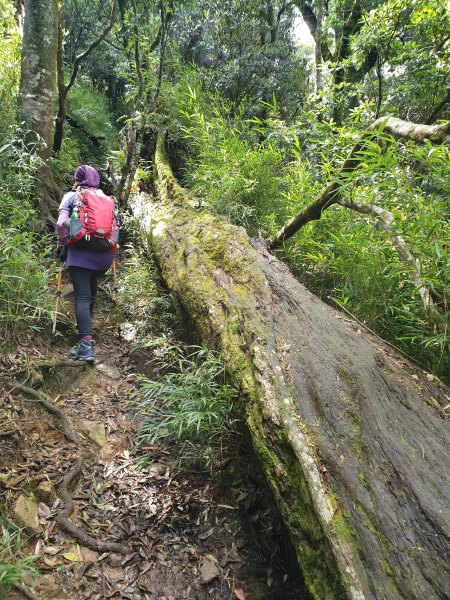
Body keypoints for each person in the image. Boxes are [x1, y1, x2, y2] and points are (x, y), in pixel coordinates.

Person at [56, 165, 115, 362]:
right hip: (104, 255)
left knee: (81, 297)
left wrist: (73, 232)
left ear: (78, 179)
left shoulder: (72, 196)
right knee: (89, 294)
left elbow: (60, 223)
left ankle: (86, 345)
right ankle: (86, 337)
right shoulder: (106, 199)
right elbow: (115, 229)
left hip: (80, 253)